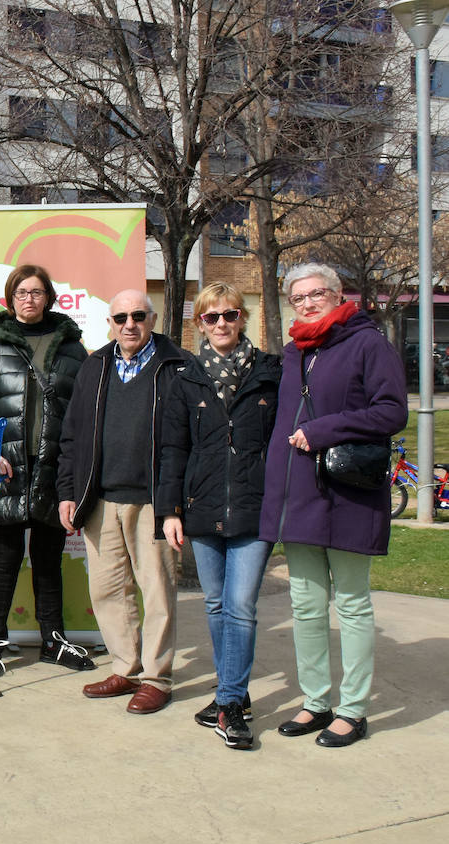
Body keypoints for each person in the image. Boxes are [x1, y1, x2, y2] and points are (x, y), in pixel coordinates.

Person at [259, 263, 406, 748]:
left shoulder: (368, 343)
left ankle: (353, 709)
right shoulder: (293, 352)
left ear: (338, 294)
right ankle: (316, 701)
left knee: (353, 604)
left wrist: (324, 431)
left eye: (315, 294)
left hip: (348, 493)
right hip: (299, 494)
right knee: (305, 605)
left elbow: (391, 411)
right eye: (297, 297)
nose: (306, 303)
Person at [158, 282, 282, 749]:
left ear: (242, 318)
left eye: (229, 315)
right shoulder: (185, 378)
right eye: (211, 317)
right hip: (201, 507)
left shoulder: (272, 372)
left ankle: (229, 703)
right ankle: (236, 691)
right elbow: (173, 449)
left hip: (254, 507)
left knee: (241, 607)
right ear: (199, 324)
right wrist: (170, 511)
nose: (222, 324)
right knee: (215, 605)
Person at [57, 289, 188, 714]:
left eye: (137, 316)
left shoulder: (176, 366)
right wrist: (67, 492)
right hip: (101, 499)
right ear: (109, 324)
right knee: (108, 591)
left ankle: (156, 677)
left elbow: (186, 440)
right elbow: (72, 434)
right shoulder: (94, 365)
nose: (128, 324)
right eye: (120, 318)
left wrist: (175, 503)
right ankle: (126, 668)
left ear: (151, 319)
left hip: (153, 499)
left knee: (158, 593)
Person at [0, 264, 94, 677]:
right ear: (9, 297)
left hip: (54, 469)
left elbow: (83, 413)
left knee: (47, 558)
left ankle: (53, 641)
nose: (29, 298)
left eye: (37, 292)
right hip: (6, 469)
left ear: (49, 298)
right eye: (21, 291)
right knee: (2, 560)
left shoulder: (74, 349)